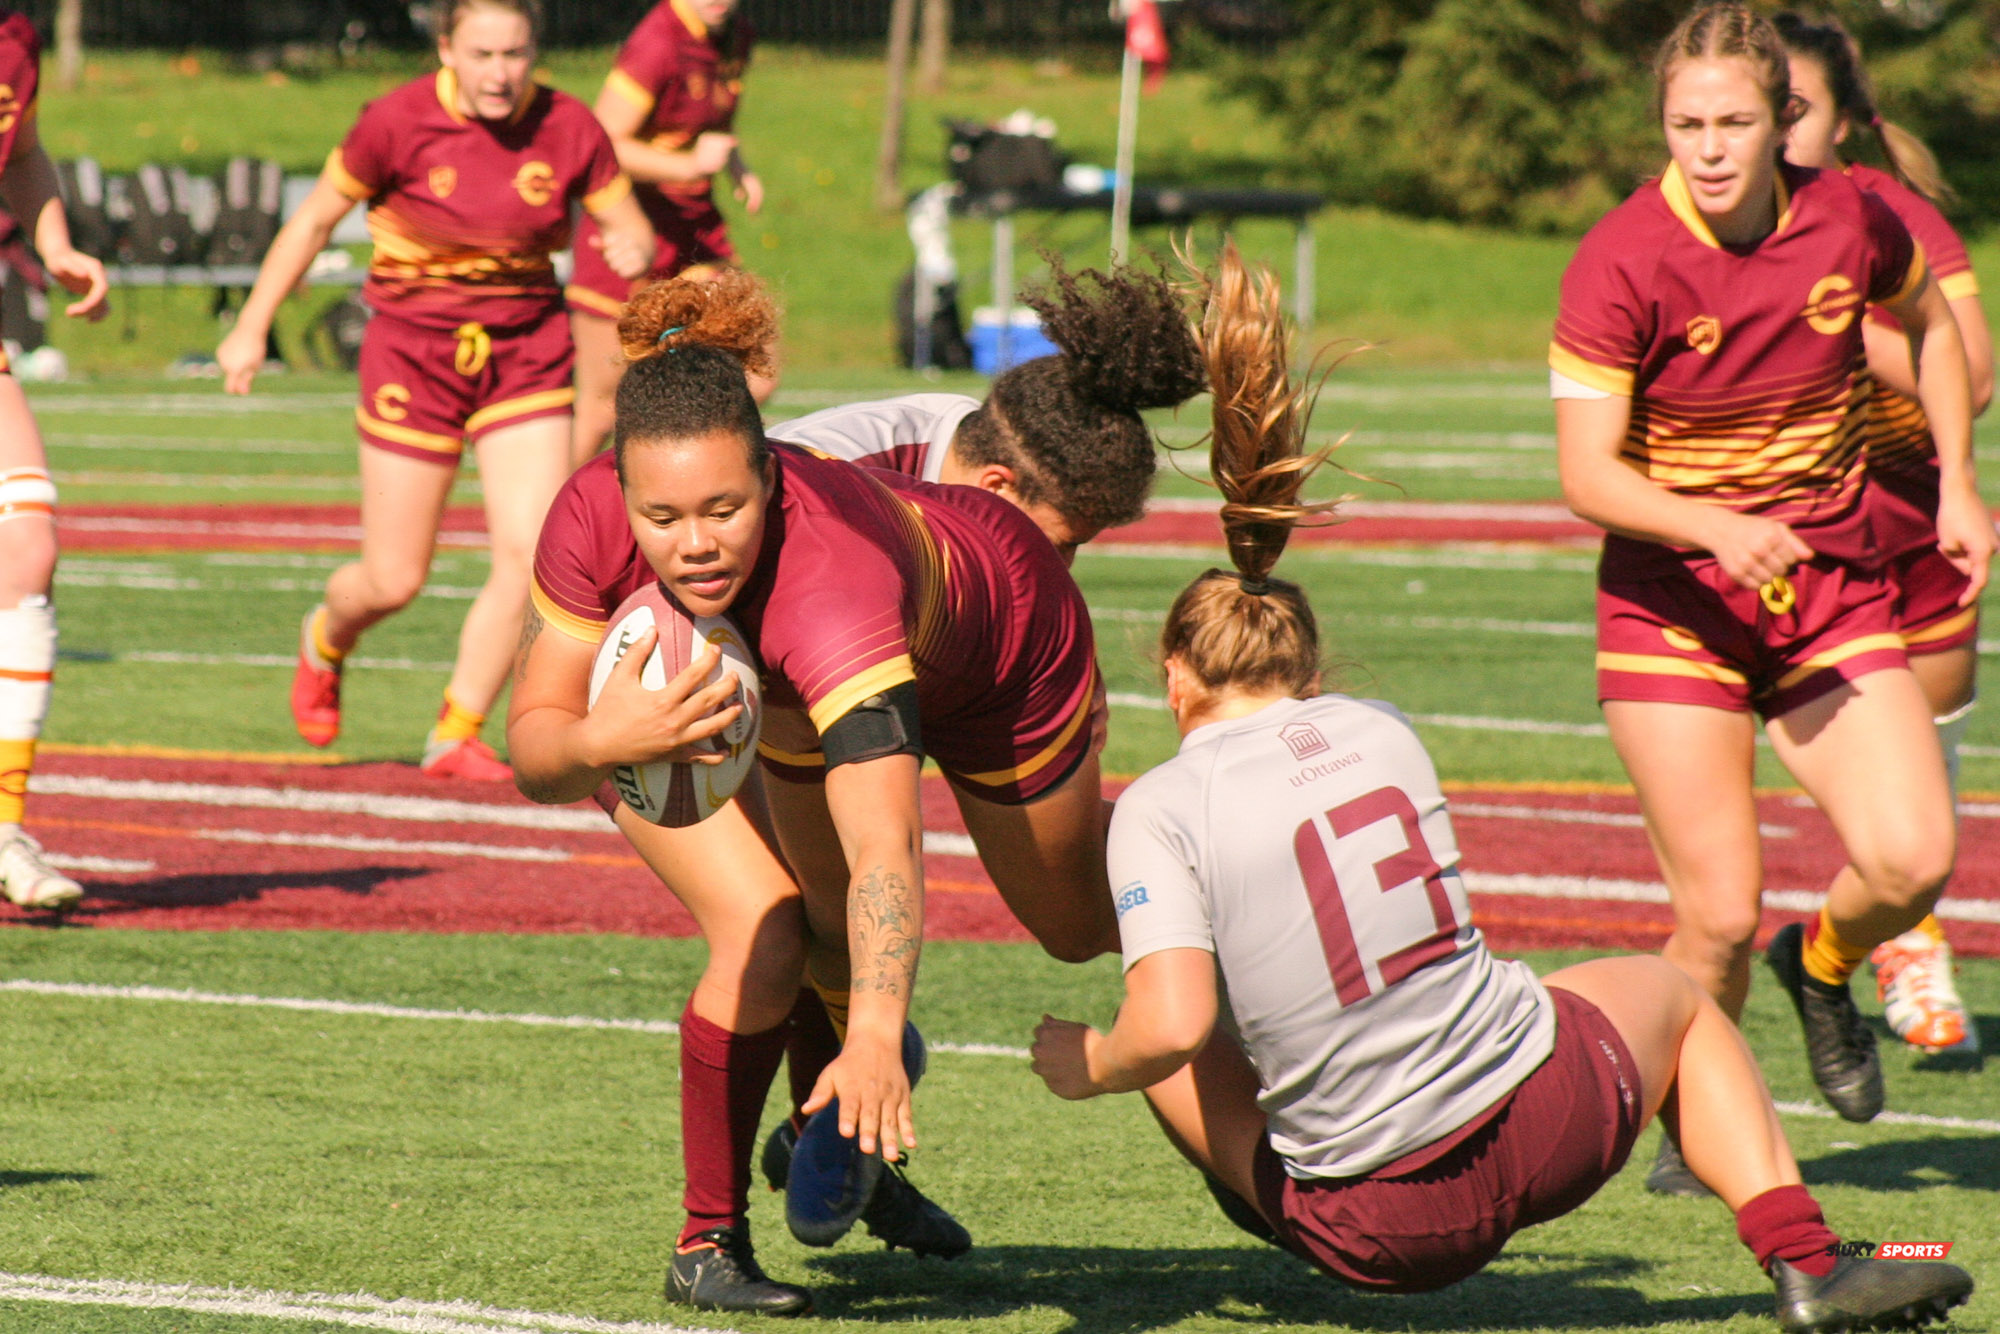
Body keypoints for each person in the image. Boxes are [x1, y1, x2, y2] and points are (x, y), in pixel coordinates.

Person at [1031, 241, 1977, 1334]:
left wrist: (1088, 1061)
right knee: (1672, 998)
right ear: (1310, 669)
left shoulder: (1159, 806)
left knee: (1162, 1030)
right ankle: (1808, 1260)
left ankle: (1267, 1204)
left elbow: (1172, 1023)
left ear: (1173, 676)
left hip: (1382, 1228)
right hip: (1552, 1125)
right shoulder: (1382, 729)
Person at [508, 268, 1199, 1313]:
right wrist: (606, 736)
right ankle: (710, 1238)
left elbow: (887, 841)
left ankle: (1232, 864)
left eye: (724, 508)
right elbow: (534, 750)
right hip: (765, 683)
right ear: (620, 491)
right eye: (661, 515)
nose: (693, 543)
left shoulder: (826, 585)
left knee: (1070, 926)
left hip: (1005, 654)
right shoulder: (591, 514)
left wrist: (876, 1034)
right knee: (773, 926)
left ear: (772, 475)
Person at [1548, 3, 1991, 1194]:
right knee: (1718, 914)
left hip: (1828, 592)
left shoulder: (1849, 214)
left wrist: (1955, 481)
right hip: (1673, 608)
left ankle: (1823, 962)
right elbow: (1585, 474)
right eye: (1684, 124)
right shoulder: (1619, 258)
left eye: (1732, 123)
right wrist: (1712, 524)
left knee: (1911, 857)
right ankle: (1694, 1120)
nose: (1706, 148)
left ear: (1780, 120)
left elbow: (1934, 333)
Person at [216, 0, 653, 781]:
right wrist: (252, 326)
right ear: (446, 48)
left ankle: (457, 730)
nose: (500, 74)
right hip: (413, 358)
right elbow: (313, 223)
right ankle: (326, 637)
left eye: (515, 54)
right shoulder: (395, 122)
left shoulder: (569, 126)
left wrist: (634, 244)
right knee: (393, 578)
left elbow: (631, 225)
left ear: (535, 51)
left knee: (532, 554)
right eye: (482, 55)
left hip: (524, 353)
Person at [1777, 10, 1989, 1060]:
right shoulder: (1679, 226)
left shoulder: (1888, 214)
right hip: (1778, 537)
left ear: (1845, 123)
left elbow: (1972, 375)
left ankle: (1899, 925)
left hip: (1907, 517)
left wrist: (1830, 324)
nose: (1768, 133)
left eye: (1794, 109)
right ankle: (1893, 939)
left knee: (1928, 745)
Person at [766, 258, 1205, 565]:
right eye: (1059, 545)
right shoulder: (817, 483)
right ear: (995, 486)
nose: (1061, 569)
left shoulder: (975, 457)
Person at [0, 6, 109, 910]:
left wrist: (56, 243)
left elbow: (22, 150)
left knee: (29, 550)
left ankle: (4, 830)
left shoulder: (16, 37)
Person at [567, 0, 765, 467]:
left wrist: (736, 164)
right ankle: (561, 505)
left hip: (693, 231)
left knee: (754, 368)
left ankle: (687, 478)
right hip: (627, 233)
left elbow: (711, 120)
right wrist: (689, 165)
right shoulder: (658, 44)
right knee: (602, 404)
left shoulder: (734, 35)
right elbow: (602, 140)